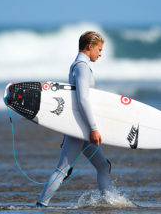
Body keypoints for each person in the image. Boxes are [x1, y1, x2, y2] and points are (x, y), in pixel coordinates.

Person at [36, 31, 112, 207]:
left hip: (78, 126)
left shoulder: (77, 65)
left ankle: (108, 202)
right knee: (62, 169)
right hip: (82, 128)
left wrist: (66, 129)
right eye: (99, 49)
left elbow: (72, 100)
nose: (101, 54)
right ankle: (41, 205)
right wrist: (93, 128)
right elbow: (82, 99)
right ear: (89, 47)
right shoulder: (82, 66)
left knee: (103, 166)